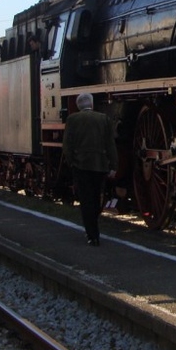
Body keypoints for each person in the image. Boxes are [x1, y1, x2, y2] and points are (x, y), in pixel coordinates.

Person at [62, 92, 118, 246]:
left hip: (81, 165)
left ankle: (92, 234)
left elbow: (67, 145)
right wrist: (113, 165)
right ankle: (94, 228)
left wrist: (71, 162)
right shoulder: (103, 119)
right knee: (96, 197)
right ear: (92, 104)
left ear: (79, 105)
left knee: (86, 200)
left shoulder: (72, 119)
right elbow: (110, 144)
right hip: (100, 165)